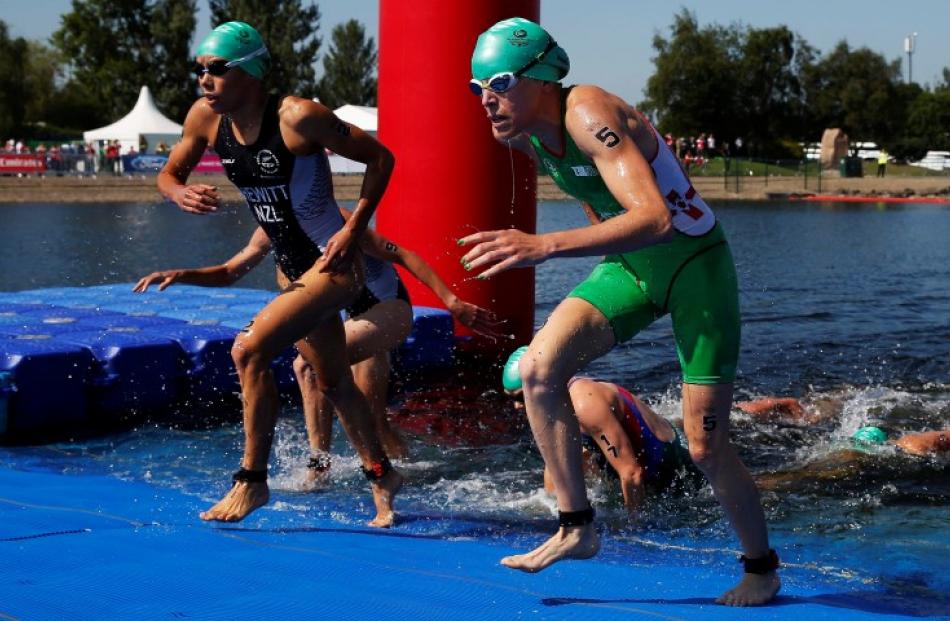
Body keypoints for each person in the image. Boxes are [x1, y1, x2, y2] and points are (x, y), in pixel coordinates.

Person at [461, 18, 779, 605]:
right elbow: (600, 209)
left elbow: (656, 219)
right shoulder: (532, 135)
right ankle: (576, 525)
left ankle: (761, 567)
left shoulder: (587, 114)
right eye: (476, 86)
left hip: (694, 269)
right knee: (536, 370)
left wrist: (542, 246)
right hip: (634, 268)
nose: (487, 99)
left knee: (704, 446)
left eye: (499, 82)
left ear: (541, 78)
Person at [157, 21, 399, 527]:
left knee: (248, 350)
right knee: (333, 381)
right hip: (290, 271)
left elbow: (381, 157)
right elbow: (170, 172)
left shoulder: (298, 117)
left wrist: (354, 228)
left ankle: (251, 480)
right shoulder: (205, 117)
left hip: (333, 267)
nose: (204, 79)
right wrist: (177, 192)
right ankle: (382, 476)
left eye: (217, 70)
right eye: (199, 69)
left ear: (251, 73)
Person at [133, 221, 504, 482]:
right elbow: (230, 271)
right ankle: (403, 467)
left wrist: (452, 301)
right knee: (373, 416)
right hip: (339, 318)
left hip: (387, 309)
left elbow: (404, 255)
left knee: (308, 367)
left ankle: (322, 464)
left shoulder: (336, 223)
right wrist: (183, 274)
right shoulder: (269, 227)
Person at [503, 347, 700, 511]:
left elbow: (632, 473)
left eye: (521, 397)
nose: (517, 407)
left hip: (675, 465)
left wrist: (632, 529)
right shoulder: (551, 405)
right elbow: (556, 471)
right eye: (510, 399)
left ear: (546, 383)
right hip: (644, 461)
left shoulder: (584, 404)